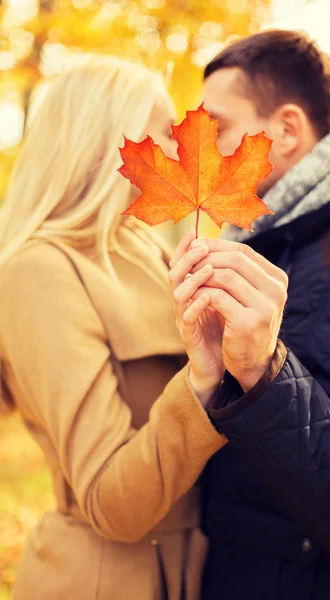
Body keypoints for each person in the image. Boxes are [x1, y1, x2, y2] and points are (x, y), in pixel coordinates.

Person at [169, 30, 330, 599]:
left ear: (288, 130)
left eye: (218, 128)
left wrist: (263, 375)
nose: (200, 153)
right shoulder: (266, 249)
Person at [0, 56, 226, 600]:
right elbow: (110, 502)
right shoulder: (39, 270)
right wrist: (201, 383)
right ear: (104, 146)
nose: (180, 154)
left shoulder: (147, 247)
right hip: (105, 579)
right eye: (162, 137)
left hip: (186, 569)